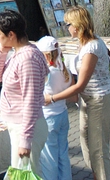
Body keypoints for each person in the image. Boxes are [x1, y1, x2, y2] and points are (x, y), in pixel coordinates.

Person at [45, 6, 110, 180]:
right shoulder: (85, 43)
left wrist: (52, 98)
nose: (66, 27)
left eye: (67, 24)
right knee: (86, 139)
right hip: (88, 100)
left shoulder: (91, 47)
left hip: (98, 99)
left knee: (98, 149)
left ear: (77, 25)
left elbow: (80, 85)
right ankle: (96, 173)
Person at [0, 10, 48, 175]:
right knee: (24, 173)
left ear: (11, 34)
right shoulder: (17, 53)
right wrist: (2, 50)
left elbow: (30, 100)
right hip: (19, 125)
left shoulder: (27, 58)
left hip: (26, 127)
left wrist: (25, 140)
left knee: (26, 174)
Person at [36, 36, 73, 180]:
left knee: (49, 158)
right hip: (62, 114)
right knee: (62, 153)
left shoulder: (47, 73)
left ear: (45, 54)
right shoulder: (64, 71)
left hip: (48, 117)